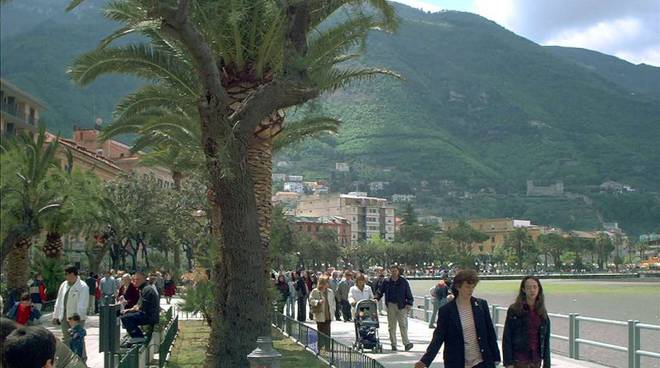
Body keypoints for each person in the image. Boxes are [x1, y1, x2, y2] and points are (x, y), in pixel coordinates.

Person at [415, 269, 501, 368]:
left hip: (481, 362)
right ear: (458, 287)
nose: (471, 290)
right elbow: (438, 338)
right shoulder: (446, 311)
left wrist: (496, 357)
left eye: (473, 287)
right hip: (457, 362)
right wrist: (425, 361)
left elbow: (490, 333)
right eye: (467, 287)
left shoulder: (481, 305)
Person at [502, 276, 551, 368]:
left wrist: (547, 364)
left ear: (539, 289)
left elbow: (546, 340)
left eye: (535, 287)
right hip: (519, 360)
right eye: (528, 287)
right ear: (523, 290)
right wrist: (508, 363)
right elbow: (507, 337)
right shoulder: (514, 310)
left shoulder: (542, 312)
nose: (532, 290)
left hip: (536, 360)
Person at [376, 264, 414, 351]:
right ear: (390, 271)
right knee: (392, 326)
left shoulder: (403, 281)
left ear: (398, 271)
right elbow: (380, 292)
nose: (394, 272)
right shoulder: (386, 281)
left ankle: (406, 343)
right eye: (392, 271)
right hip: (390, 305)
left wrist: (409, 302)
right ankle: (393, 344)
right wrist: (376, 298)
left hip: (401, 305)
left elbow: (408, 293)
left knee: (403, 325)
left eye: (395, 271)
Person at [53, 265, 89, 349]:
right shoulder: (64, 285)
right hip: (64, 317)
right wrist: (55, 315)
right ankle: (69, 360)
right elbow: (59, 300)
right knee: (66, 339)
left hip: (76, 319)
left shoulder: (83, 286)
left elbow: (82, 305)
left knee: (78, 339)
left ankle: (82, 359)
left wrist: (76, 320)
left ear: (72, 274)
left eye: (66, 274)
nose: (65, 276)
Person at [120, 271, 160, 344]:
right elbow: (138, 304)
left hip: (149, 316)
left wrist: (132, 310)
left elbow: (143, 307)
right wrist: (129, 309)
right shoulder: (144, 288)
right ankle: (136, 336)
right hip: (149, 314)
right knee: (125, 314)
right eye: (134, 279)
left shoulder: (147, 289)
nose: (134, 281)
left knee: (125, 317)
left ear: (143, 280)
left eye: (137, 279)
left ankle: (138, 337)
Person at [308, 275, 336, 351]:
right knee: (320, 330)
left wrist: (333, 309)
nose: (328, 283)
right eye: (327, 282)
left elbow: (333, 302)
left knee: (327, 331)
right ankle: (320, 346)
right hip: (320, 314)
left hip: (328, 314)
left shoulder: (330, 291)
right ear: (323, 283)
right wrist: (317, 302)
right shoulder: (315, 291)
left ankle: (327, 347)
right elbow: (311, 300)